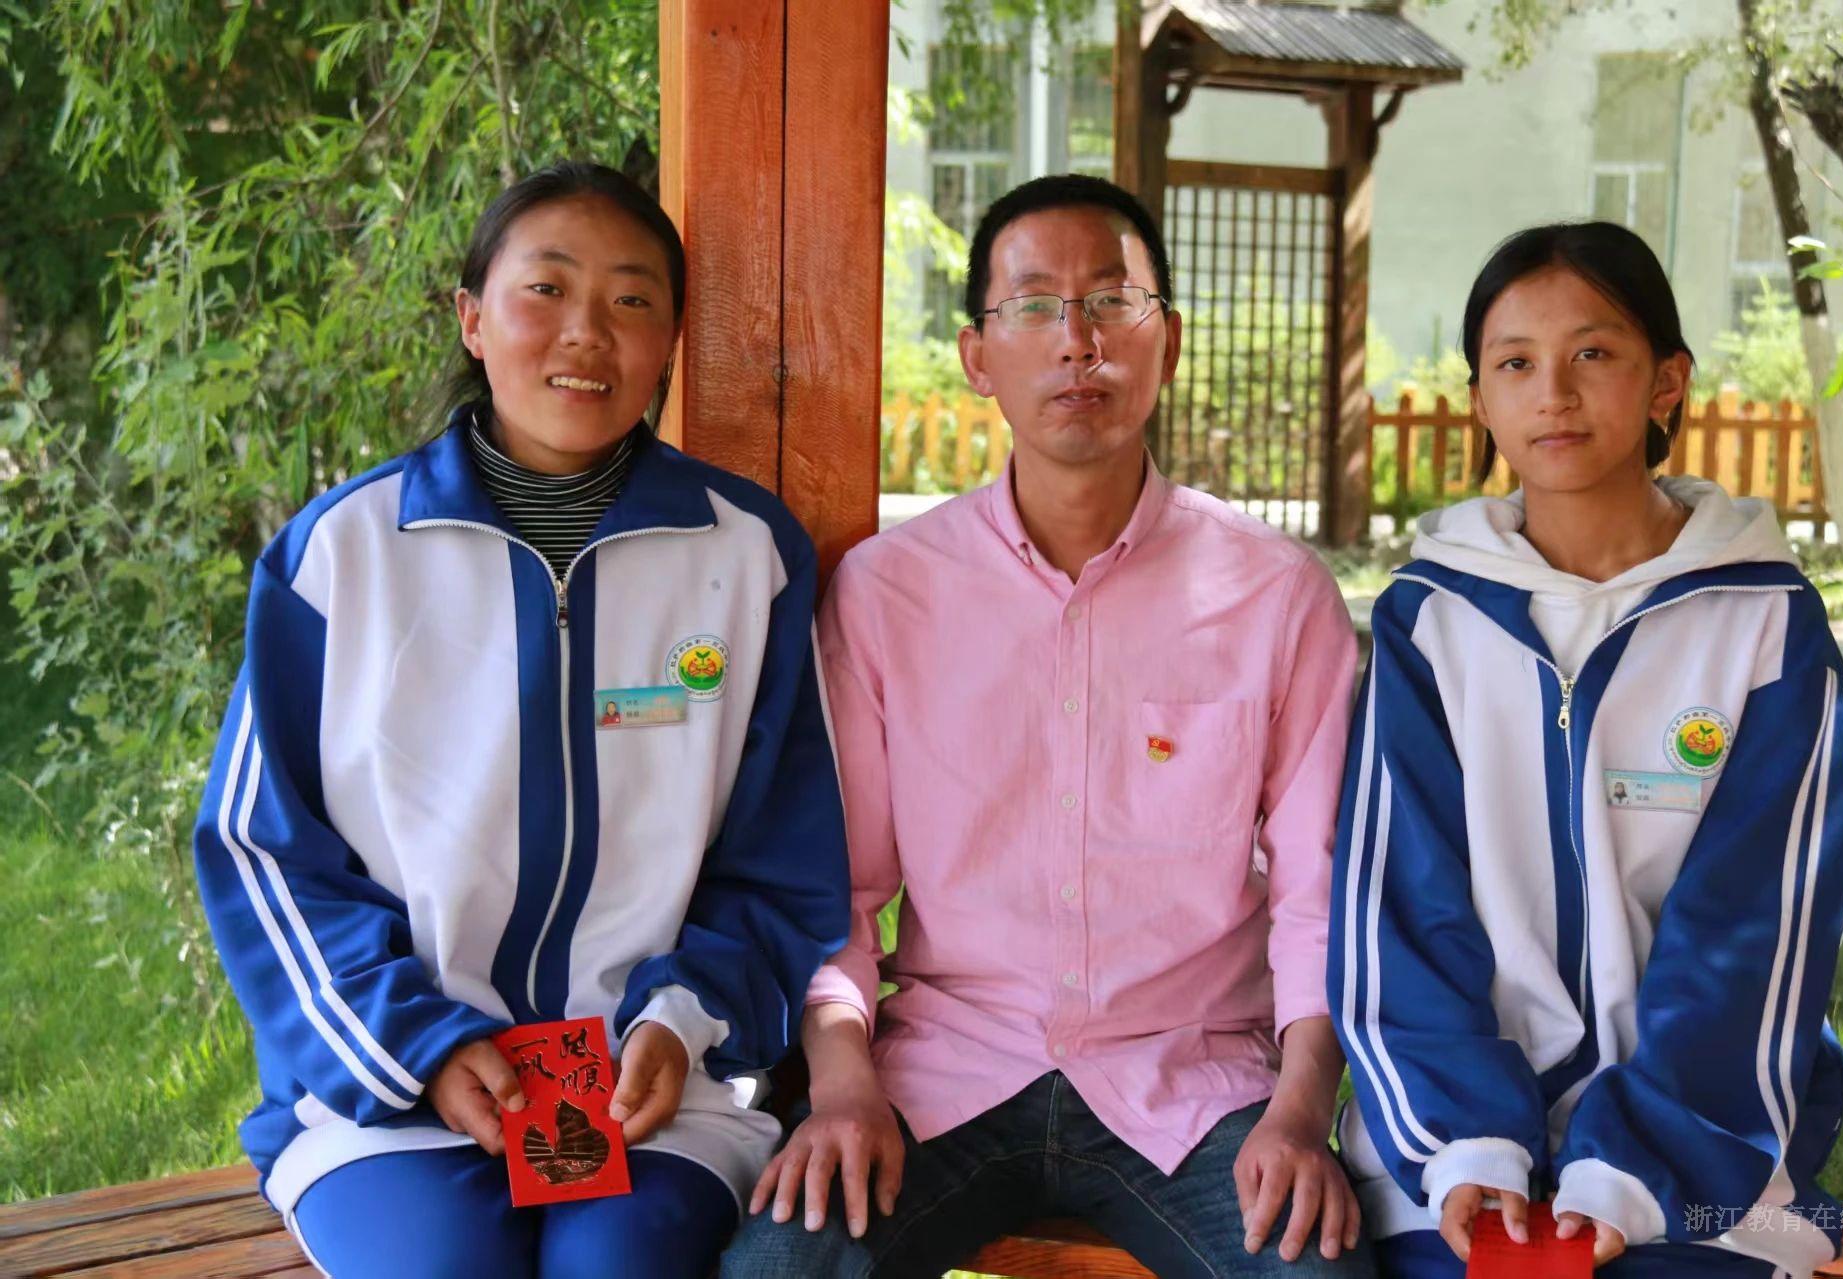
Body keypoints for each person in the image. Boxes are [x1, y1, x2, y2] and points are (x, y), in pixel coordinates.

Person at [192, 161, 849, 1278]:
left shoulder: (748, 556)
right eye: (545, 289)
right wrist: (420, 1044)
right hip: (393, 1085)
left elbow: (781, 865)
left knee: (617, 1267)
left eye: (631, 299)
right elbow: (261, 854)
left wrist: (677, 1020)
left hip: (656, 1086)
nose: (586, 332)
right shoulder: (343, 554)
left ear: (668, 342)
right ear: (471, 317)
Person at [721, 173, 1372, 1278]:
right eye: (1034, 305)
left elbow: (1316, 899)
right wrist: (839, 1085)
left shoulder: (1273, 594)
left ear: (1167, 340)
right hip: (944, 1073)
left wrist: (1302, 1113)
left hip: (1194, 1083)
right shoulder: (887, 593)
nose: (1079, 341)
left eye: (1113, 301)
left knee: (1314, 1269)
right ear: (978, 356)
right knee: (778, 1268)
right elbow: (840, 891)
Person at [1329, 222, 1843, 1278]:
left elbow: (1753, 933)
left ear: (1667, 382)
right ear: (1479, 400)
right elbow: (1398, 909)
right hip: (1453, 1148)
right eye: (1514, 363)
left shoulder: (1762, 624)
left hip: (1699, 1147)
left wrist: (1628, 1171)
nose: (1553, 395)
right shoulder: (1430, 620)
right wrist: (1466, 1148)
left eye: (1592, 353)